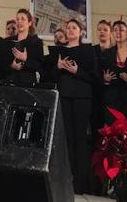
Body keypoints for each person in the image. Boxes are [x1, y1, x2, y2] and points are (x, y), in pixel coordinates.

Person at [49, 19, 96, 194]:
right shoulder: (59, 51)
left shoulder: (88, 50)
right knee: (65, 139)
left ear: (81, 31)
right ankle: (64, 180)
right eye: (68, 28)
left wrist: (77, 72)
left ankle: (80, 183)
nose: (70, 30)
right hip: (64, 96)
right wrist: (58, 66)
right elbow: (51, 76)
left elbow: (94, 76)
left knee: (80, 139)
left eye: (73, 28)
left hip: (82, 97)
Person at [2, 9, 43, 85]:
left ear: (30, 23)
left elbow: (39, 66)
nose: (19, 21)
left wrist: (25, 59)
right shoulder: (7, 41)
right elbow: (2, 63)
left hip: (27, 83)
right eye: (17, 19)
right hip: (10, 82)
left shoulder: (36, 42)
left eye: (22, 19)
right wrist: (11, 66)